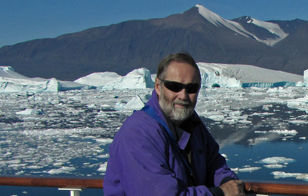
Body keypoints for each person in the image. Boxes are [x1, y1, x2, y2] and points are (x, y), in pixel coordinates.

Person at [104, 53, 246, 196]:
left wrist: (228, 182)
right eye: (174, 86)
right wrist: (220, 193)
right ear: (158, 86)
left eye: (191, 88)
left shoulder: (193, 125)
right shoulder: (137, 134)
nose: (183, 96)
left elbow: (214, 164)